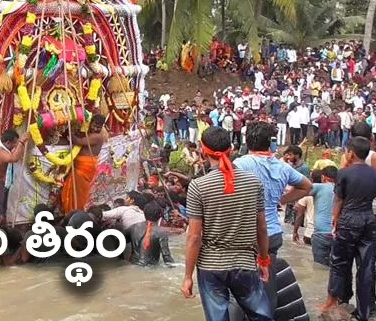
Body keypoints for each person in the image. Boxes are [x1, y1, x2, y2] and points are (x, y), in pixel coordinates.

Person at [182, 126, 272, 321]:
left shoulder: (198, 186)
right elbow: (262, 228)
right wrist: (264, 260)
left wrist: (188, 276)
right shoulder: (253, 183)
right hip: (245, 261)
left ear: (203, 152)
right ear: (231, 149)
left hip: (210, 266)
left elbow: (194, 237)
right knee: (262, 316)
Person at [233, 122, 312, 314]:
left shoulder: (239, 164)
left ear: (247, 141)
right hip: (272, 233)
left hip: (246, 233)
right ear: (270, 143)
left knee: (239, 288)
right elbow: (307, 186)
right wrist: (281, 199)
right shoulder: (282, 166)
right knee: (266, 280)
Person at [321, 137, 376, 321]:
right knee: (366, 267)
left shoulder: (344, 173)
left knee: (339, 263)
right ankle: (364, 311)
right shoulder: (373, 173)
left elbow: (338, 199)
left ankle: (332, 301)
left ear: (351, 153)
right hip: (369, 220)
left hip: (349, 219)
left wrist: (335, 219)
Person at [62, 115, 107, 213]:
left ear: (102, 127)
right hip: (80, 166)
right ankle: (72, 212)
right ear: (90, 123)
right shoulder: (90, 133)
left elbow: (78, 141)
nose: (95, 129)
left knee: (78, 193)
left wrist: (69, 128)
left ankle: (76, 212)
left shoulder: (97, 136)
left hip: (85, 167)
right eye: (94, 125)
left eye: (98, 127)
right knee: (73, 190)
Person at [0, 128, 28, 221]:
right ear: (7, 143)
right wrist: (21, 142)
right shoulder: (0, 151)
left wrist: (0, 126)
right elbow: (13, 158)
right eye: (14, 143)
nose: (15, 145)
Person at [129, 202, 174, 267]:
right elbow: (166, 257)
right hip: (150, 268)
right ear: (159, 216)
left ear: (144, 213)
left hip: (133, 265)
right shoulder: (162, 233)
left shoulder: (133, 227)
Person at [310, 166, 337, 266]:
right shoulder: (343, 189)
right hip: (338, 235)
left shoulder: (318, 187)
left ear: (323, 177)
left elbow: (302, 190)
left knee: (319, 267)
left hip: (321, 234)